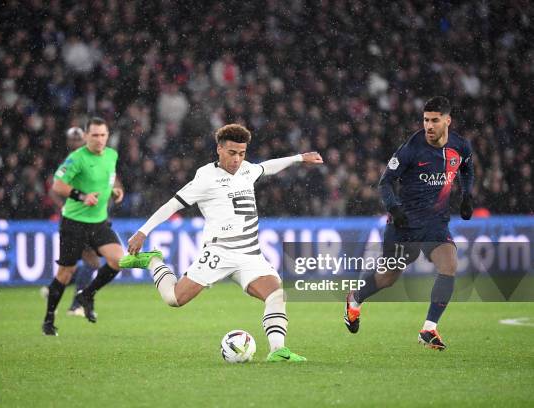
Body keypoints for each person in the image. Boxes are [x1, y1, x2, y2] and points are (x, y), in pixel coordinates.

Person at [119, 124, 323, 362]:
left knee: (277, 294)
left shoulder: (247, 170)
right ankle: (153, 262)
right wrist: (143, 232)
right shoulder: (205, 177)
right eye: (232, 153)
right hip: (219, 251)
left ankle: (277, 351)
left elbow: (267, 167)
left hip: (250, 254)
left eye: (242, 153)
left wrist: (299, 158)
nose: (237, 159)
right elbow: (172, 205)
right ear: (219, 149)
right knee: (174, 299)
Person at [344, 96, 474, 350]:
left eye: (434, 120)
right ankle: (355, 299)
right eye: (425, 120)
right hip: (404, 225)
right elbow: (385, 182)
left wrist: (467, 195)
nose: (428, 126)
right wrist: (394, 208)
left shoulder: (461, 146)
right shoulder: (412, 148)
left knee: (449, 265)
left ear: (447, 120)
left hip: (436, 224)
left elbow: (467, 169)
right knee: (388, 278)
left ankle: (429, 329)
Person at [42, 117, 125, 336]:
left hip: (98, 223)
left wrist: (114, 191)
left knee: (118, 260)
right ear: (86, 136)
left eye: (103, 135)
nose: (99, 139)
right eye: (95, 135)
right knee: (65, 273)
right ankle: (49, 319)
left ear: (107, 135)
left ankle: (86, 294)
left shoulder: (111, 155)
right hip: (74, 224)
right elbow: (57, 185)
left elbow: (107, 180)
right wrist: (82, 196)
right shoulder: (76, 158)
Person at [42, 127, 101, 317]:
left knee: (75, 265)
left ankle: (54, 289)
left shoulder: (81, 159)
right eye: (73, 140)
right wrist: (66, 207)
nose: (76, 142)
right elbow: (55, 187)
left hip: (85, 218)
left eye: (78, 139)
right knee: (90, 263)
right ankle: (76, 304)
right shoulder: (74, 161)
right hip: (78, 219)